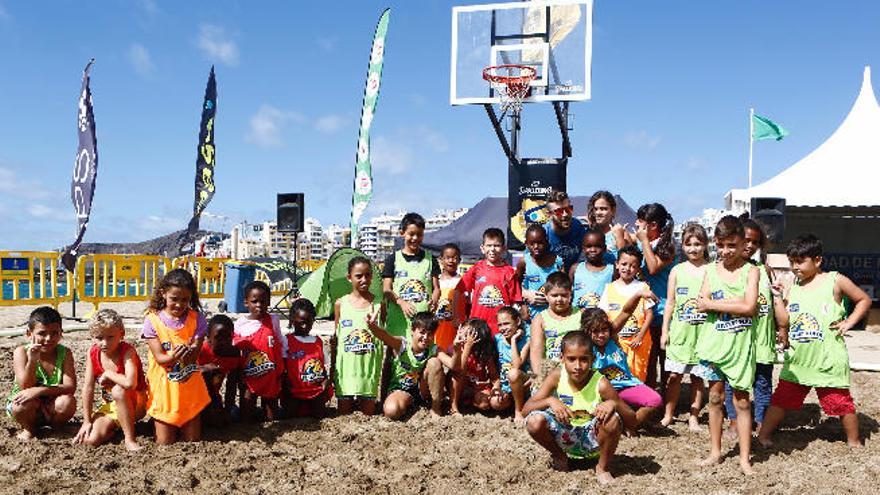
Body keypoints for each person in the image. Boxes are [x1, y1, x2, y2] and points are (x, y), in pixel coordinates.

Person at [758, 234, 871, 448]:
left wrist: (849, 322)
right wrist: (777, 298)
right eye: (792, 261)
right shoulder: (793, 286)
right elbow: (785, 320)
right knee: (780, 399)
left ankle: (854, 442)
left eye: (800, 261)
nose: (795, 266)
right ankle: (763, 436)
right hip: (799, 360)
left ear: (817, 260)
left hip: (828, 358)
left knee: (841, 402)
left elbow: (863, 299)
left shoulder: (835, 280)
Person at [693, 216, 759, 475]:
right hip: (714, 345)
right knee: (715, 398)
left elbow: (749, 307)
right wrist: (733, 303)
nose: (725, 251)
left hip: (741, 347)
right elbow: (702, 301)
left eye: (731, 245)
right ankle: (715, 451)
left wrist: (713, 305)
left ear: (744, 243)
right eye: (720, 245)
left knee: (742, 402)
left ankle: (744, 458)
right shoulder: (710, 270)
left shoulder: (752, 271)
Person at [523, 331, 626, 482]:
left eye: (584, 359)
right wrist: (550, 401)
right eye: (571, 359)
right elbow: (526, 409)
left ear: (593, 359)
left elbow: (632, 420)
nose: (577, 366)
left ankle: (602, 467)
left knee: (613, 420)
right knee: (534, 421)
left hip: (592, 440)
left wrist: (613, 403)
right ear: (562, 358)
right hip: (565, 437)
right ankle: (560, 456)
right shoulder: (557, 376)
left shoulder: (601, 383)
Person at [723, 218, 787, 437]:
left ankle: (761, 422)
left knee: (762, 382)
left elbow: (775, 302)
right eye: (747, 240)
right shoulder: (728, 270)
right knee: (733, 382)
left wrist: (781, 328)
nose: (750, 246)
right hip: (737, 337)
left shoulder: (764, 270)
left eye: (755, 242)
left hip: (761, 338)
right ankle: (733, 420)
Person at [142, 268, 211, 445]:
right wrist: (173, 356)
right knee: (165, 442)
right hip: (164, 391)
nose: (179, 305)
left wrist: (189, 353)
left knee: (193, 440)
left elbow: (195, 354)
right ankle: (156, 422)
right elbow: (159, 358)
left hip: (189, 392)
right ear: (163, 293)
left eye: (185, 300)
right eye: (174, 299)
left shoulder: (197, 319)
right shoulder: (152, 320)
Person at [660, 223, 711, 430]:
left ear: (705, 245)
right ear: (682, 245)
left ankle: (693, 415)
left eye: (698, 244)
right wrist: (665, 331)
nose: (693, 249)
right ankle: (668, 414)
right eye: (689, 244)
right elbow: (670, 303)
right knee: (674, 376)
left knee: (698, 377)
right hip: (680, 332)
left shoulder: (712, 270)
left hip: (704, 333)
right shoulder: (676, 271)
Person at [73, 309, 147, 451]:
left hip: (135, 403)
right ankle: (114, 428)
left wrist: (108, 373)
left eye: (110, 337)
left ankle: (129, 439)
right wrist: (87, 421)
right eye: (99, 338)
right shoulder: (93, 352)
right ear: (92, 337)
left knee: (119, 390)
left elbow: (131, 384)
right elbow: (88, 387)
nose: (104, 343)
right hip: (110, 405)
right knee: (90, 440)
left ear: (121, 334)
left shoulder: (127, 351)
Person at [583, 308, 662, 432]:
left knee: (655, 400)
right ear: (586, 332)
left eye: (604, 329)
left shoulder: (613, 339)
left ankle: (630, 425)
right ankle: (622, 421)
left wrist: (639, 294)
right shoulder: (585, 349)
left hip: (626, 385)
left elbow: (626, 312)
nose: (601, 335)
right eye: (595, 331)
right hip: (604, 393)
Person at [364, 311, 450, 419]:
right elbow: (385, 337)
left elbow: (453, 365)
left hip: (422, 389)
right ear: (412, 331)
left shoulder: (433, 348)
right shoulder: (402, 344)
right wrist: (373, 327)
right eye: (422, 332)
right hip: (402, 388)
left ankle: (436, 408)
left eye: (430, 334)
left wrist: (459, 348)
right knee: (391, 411)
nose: (425, 337)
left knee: (435, 362)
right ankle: (407, 403)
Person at [8, 306, 76, 441]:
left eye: (54, 333)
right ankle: (29, 429)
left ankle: (55, 427)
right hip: (27, 405)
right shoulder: (21, 352)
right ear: (29, 334)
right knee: (21, 405)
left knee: (68, 402)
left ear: (61, 333)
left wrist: (40, 390)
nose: (48, 338)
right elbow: (24, 387)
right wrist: (32, 360)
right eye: (42, 333)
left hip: (52, 404)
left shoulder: (65, 353)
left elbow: (70, 387)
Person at [629, 203, 676, 388]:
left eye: (641, 221)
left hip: (664, 313)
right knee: (647, 360)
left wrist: (644, 241)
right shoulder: (643, 241)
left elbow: (653, 267)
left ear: (653, 225)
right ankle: (649, 401)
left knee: (666, 363)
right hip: (645, 312)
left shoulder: (668, 246)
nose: (637, 224)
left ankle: (666, 403)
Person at [333, 256, 385, 415]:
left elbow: (383, 335)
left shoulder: (378, 304)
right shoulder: (340, 304)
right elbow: (337, 336)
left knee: (368, 413)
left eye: (368, 275)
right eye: (359, 276)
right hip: (346, 371)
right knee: (343, 413)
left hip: (368, 370)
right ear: (349, 278)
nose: (364, 279)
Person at [599, 245, 654, 382]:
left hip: (638, 343)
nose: (627, 269)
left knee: (638, 375)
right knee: (617, 375)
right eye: (624, 264)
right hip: (617, 342)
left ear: (637, 268)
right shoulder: (609, 288)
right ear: (617, 264)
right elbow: (603, 315)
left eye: (632, 266)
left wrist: (640, 336)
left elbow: (650, 314)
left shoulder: (643, 287)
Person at [234, 280, 286, 422]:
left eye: (263, 301)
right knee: (246, 415)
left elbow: (280, 341)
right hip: (250, 376)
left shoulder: (273, 320)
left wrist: (282, 367)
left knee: (271, 416)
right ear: (246, 302)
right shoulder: (240, 324)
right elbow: (236, 350)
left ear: (269, 302)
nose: (259, 305)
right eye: (254, 301)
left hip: (270, 374)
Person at [383, 212, 441, 338]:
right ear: (402, 233)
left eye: (419, 235)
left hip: (423, 327)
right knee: (397, 357)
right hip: (399, 324)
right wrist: (401, 302)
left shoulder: (431, 259)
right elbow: (386, 289)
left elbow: (436, 287)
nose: (415, 238)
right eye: (411, 234)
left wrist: (435, 299)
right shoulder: (392, 259)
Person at [456, 228, 522, 336]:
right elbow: (459, 291)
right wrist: (457, 316)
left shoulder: (510, 272)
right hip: (477, 328)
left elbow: (515, 302)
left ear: (504, 248)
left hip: (501, 330)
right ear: (482, 248)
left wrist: (515, 325)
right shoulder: (476, 268)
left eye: (496, 245)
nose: (492, 249)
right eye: (489, 245)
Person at [284, 298, 332, 418]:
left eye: (308, 322)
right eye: (301, 322)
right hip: (295, 391)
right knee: (291, 415)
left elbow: (323, 365)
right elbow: (282, 365)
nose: (305, 326)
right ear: (292, 321)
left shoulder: (318, 342)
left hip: (316, 389)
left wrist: (325, 381)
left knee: (319, 414)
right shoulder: (286, 341)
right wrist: (286, 386)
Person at [529, 272, 581, 378]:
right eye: (554, 295)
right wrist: (540, 378)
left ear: (570, 295)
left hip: (576, 370)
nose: (559, 299)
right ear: (546, 296)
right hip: (550, 372)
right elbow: (536, 353)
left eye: (564, 295)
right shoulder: (540, 320)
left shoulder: (581, 315)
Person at [450, 318, 503, 415]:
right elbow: (460, 370)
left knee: (484, 403)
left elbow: (494, 377)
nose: (462, 335)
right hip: (461, 386)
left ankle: (470, 403)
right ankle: (454, 407)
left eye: (467, 334)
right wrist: (467, 348)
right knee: (457, 376)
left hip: (477, 387)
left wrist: (495, 389)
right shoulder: (458, 348)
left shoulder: (484, 354)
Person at [198, 314, 241, 426]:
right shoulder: (200, 351)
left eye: (228, 337)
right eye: (218, 337)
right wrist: (204, 368)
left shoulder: (233, 354)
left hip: (214, 397)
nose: (224, 342)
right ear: (208, 337)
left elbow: (231, 386)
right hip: (195, 398)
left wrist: (227, 410)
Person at [516, 223, 564, 323]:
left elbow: (565, 287)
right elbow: (515, 286)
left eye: (540, 243)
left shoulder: (557, 261)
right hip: (532, 316)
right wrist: (523, 304)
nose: (536, 246)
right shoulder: (524, 262)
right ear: (526, 244)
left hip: (554, 315)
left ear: (546, 242)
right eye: (532, 244)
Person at [494, 306, 531, 421]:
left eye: (506, 324)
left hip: (523, 383)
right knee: (495, 404)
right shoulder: (497, 339)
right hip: (506, 385)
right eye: (500, 325)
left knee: (514, 373)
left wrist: (514, 340)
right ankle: (512, 403)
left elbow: (517, 365)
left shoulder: (527, 339)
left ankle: (518, 410)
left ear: (518, 321)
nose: (503, 328)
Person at [570, 229, 614, 310]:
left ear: (604, 248)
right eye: (589, 246)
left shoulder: (612, 270)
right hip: (577, 319)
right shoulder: (575, 268)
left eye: (598, 246)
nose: (593, 250)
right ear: (583, 248)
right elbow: (569, 294)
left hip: (601, 319)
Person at [543, 190, 587, 271]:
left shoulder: (580, 228)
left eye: (568, 209)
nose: (565, 214)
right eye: (559, 211)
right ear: (549, 215)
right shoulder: (543, 234)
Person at [435, 243, 466, 354]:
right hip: (437, 334)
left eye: (455, 258)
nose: (451, 261)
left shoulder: (463, 282)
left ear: (459, 260)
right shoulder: (435, 282)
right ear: (441, 260)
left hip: (456, 335)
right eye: (448, 258)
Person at [586, 190, 627, 263]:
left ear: (613, 210)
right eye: (596, 209)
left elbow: (626, 262)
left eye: (603, 209)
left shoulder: (620, 233)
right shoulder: (588, 233)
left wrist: (619, 239)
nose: (598, 213)